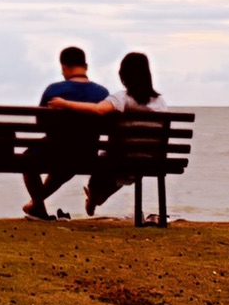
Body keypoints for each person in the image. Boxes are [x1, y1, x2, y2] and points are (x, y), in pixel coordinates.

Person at [44, 51, 167, 215]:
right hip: (152, 160)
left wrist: (65, 104)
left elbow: (98, 109)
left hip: (122, 159)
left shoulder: (122, 98)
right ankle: (95, 199)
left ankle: (94, 198)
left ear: (123, 75)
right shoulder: (160, 102)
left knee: (101, 169)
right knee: (115, 171)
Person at [20, 47, 110, 220]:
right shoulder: (102, 93)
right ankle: (36, 205)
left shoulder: (54, 91)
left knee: (28, 159)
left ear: (64, 67)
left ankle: (38, 206)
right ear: (86, 66)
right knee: (66, 167)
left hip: (56, 150)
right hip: (86, 154)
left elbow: (40, 124)